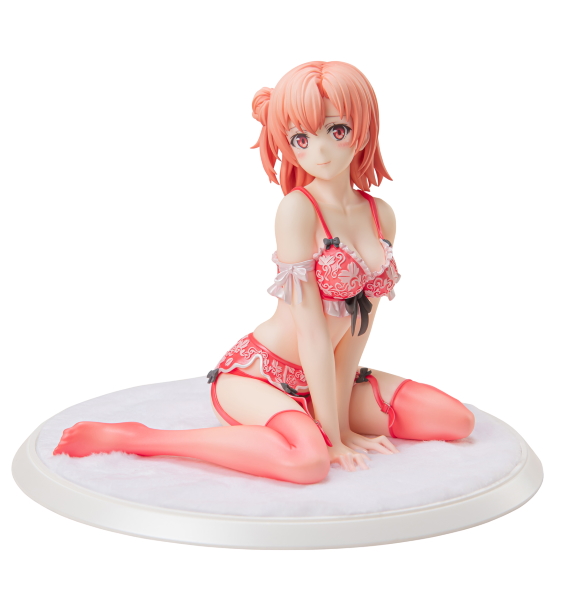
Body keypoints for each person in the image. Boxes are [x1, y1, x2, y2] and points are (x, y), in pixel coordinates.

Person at [54, 61, 475, 484]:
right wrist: (331, 438)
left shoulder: (381, 214)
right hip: (259, 376)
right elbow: (311, 332)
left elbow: (358, 329)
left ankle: (314, 417)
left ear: (363, 130)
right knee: (308, 461)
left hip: (325, 377)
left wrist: (344, 426)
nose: (320, 152)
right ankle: (140, 438)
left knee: (454, 420)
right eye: (301, 139)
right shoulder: (297, 209)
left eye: (337, 130)